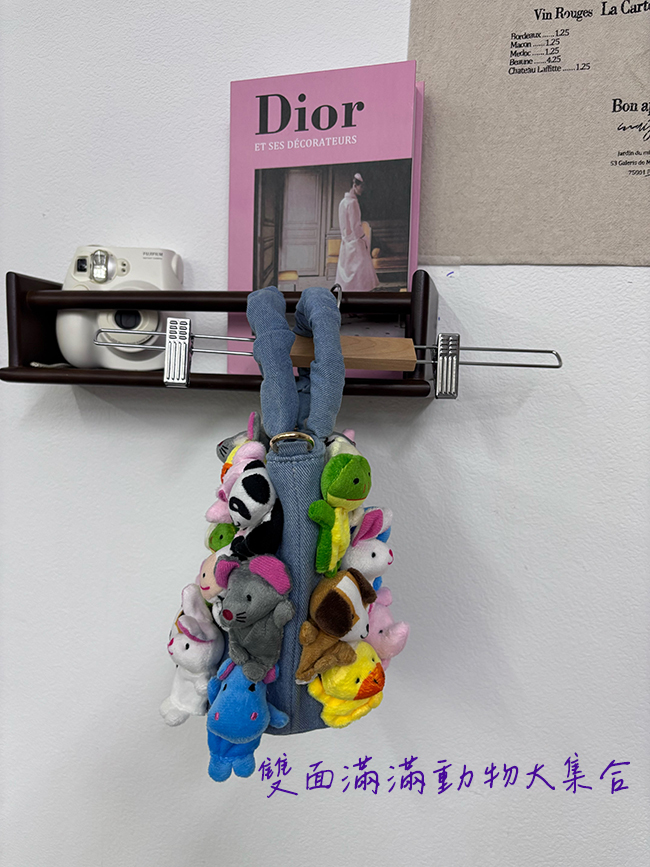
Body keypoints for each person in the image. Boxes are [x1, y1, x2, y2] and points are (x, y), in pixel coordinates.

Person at [335, 173, 379, 292]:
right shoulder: (353, 203)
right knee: (361, 272)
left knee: (347, 272)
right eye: (361, 187)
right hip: (355, 241)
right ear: (354, 185)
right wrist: (363, 238)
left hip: (346, 242)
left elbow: (343, 226)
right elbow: (355, 226)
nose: (363, 190)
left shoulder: (343, 202)